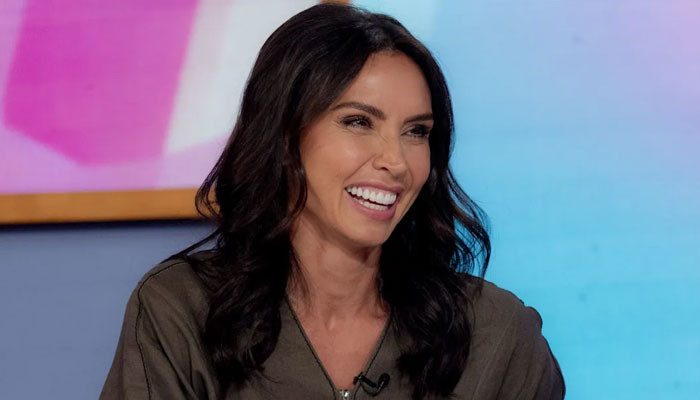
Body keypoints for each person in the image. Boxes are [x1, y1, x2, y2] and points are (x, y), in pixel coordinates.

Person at [100, 3, 565, 399]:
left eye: (416, 131)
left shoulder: (495, 335)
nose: (395, 161)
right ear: (285, 137)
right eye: (359, 122)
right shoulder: (181, 312)